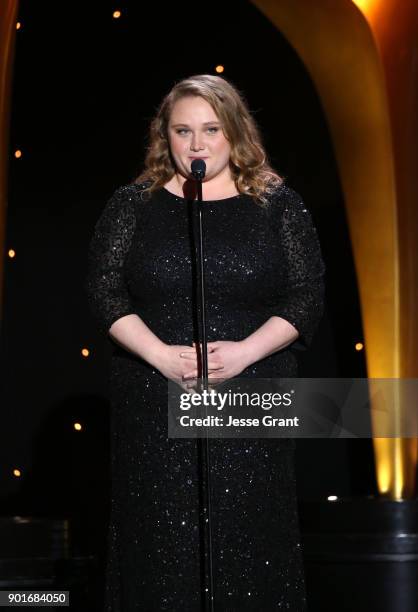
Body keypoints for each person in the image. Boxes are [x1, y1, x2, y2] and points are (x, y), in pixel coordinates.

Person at [85, 74, 325, 611]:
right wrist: (159, 356)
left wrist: (244, 352)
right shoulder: (133, 205)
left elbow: (306, 295)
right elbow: (103, 290)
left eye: (211, 129)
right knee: (165, 550)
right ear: (164, 137)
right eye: (183, 130)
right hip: (155, 398)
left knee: (246, 542)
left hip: (250, 397)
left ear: (234, 131)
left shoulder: (275, 204)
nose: (197, 145)